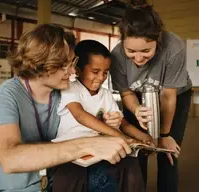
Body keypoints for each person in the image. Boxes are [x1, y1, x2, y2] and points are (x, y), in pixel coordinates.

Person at [0, 24, 134, 192]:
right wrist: (87, 144)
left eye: (72, 63)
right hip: (21, 188)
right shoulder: (7, 95)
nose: (72, 71)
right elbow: (9, 159)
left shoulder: (63, 92)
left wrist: (108, 121)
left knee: (122, 168)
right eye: (65, 65)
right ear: (40, 64)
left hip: (57, 181)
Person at [110, 0, 192, 192]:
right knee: (138, 149)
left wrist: (164, 134)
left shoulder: (174, 47)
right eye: (131, 51)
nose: (138, 58)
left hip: (174, 96)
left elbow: (167, 95)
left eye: (146, 51)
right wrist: (136, 108)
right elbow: (126, 92)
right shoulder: (117, 55)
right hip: (136, 96)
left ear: (158, 39)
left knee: (167, 151)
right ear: (123, 43)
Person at [52, 39, 151, 192]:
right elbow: (80, 116)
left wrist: (143, 137)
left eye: (105, 73)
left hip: (100, 149)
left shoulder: (105, 94)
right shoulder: (71, 88)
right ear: (77, 69)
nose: (101, 77)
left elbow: (123, 123)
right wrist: (120, 137)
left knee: (130, 163)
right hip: (74, 151)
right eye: (95, 72)